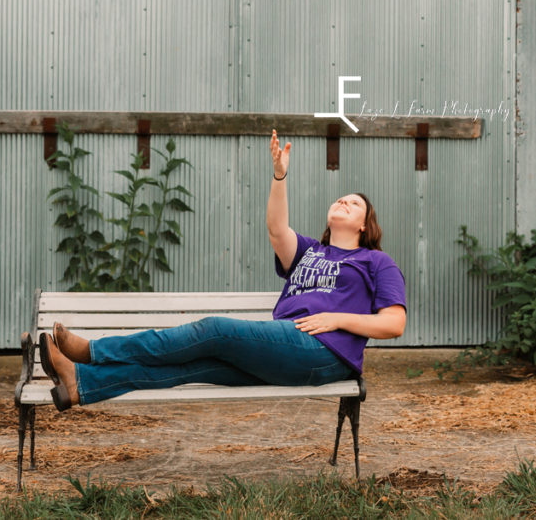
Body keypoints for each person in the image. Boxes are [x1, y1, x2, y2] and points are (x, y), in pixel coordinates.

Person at [40, 129, 407, 411]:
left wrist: (337, 318)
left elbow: (394, 324)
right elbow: (278, 230)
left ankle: (94, 351)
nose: (344, 201)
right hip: (283, 345)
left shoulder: (376, 262)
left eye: (354, 203)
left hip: (323, 352)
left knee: (213, 330)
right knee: (192, 367)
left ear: (364, 225)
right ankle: (80, 385)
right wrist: (279, 177)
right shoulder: (312, 251)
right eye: (341, 198)